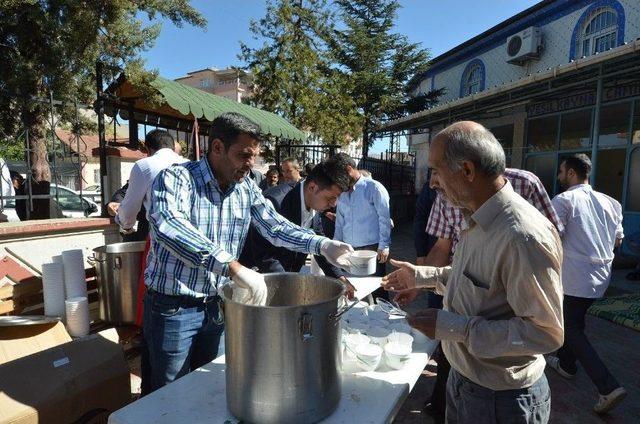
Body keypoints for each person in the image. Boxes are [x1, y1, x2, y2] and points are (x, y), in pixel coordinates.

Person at [143, 112, 353, 392]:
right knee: (170, 393)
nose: (251, 164)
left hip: (218, 307)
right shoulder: (177, 178)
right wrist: (234, 267)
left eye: (254, 155)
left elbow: (275, 226)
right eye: (244, 155)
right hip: (174, 308)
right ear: (217, 148)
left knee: (213, 387)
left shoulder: (246, 188)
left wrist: (321, 245)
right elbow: (171, 226)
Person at [382, 121, 563, 424]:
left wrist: (457, 328)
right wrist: (423, 277)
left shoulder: (522, 236)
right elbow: (475, 280)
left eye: (436, 172)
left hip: (501, 399)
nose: (432, 183)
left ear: (466, 170)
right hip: (465, 382)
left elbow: (545, 333)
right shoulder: (476, 218)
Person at [545, 154, 626, 414]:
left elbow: (551, 238)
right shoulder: (611, 202)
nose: (558, 177)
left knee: (571, 328)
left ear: (570, 173)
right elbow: (617, 242)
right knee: (574, 321)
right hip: (601, 277)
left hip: (573, 277)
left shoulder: (565, 200)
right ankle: (567, 364)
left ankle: (607, 386)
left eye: (560, 172)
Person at [246, 160, 355, 297]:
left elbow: (317, 244)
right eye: (330, 198)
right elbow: (263, 253)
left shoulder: (317, 203)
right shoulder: (275, 201)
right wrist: (288, 283)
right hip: (261, 282)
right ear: (312, 187)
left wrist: (339, 277)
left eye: (337, 198)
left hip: (288, 278)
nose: (333, 204)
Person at [332, 153, 391, 297]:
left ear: (348, 169)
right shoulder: (342, 193)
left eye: (338, 176)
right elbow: (340, 223)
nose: (337, 181)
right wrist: (335, 246)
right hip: (349, 250)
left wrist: (384, 246)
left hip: (371, 249)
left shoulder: (374, 188)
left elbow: (384, 218)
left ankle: (381, 317)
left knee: (376, 289)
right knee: (353, 289)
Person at [113, 129, 187, 234]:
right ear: (173, 147)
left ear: (148, 149)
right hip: (191, 232)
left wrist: (126, 225)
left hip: (161, 233)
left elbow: (130, 208)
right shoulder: (189, 164)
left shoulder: (144, 165)